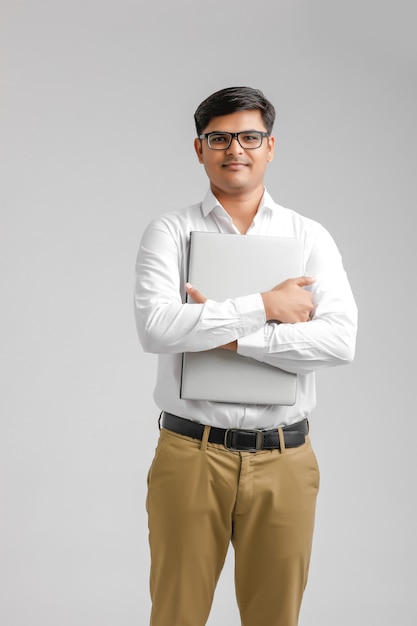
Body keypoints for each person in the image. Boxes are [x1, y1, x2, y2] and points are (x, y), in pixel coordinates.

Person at [134, 86, 358, 626]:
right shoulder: (171, 232)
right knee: (177, 614)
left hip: (284, 458)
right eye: (220, 138)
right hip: (191, 454)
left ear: (271, 146)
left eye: (249, 136)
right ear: (199, 148)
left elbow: (338, 341)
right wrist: (267, 304)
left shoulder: (309, 237)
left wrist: (232, 335)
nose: (236, 149)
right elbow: (158, 327)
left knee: (275, 617)